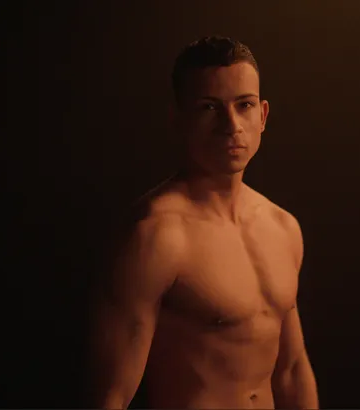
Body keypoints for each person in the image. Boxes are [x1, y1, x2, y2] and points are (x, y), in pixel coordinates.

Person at [89, 36, 318, 409]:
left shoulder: (283, 227)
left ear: (262, 116)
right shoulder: (156, 235)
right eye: (210, 107)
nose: (231, 125)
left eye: (244, 105)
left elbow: (292, 370)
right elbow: (110, 396)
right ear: (178, 119)